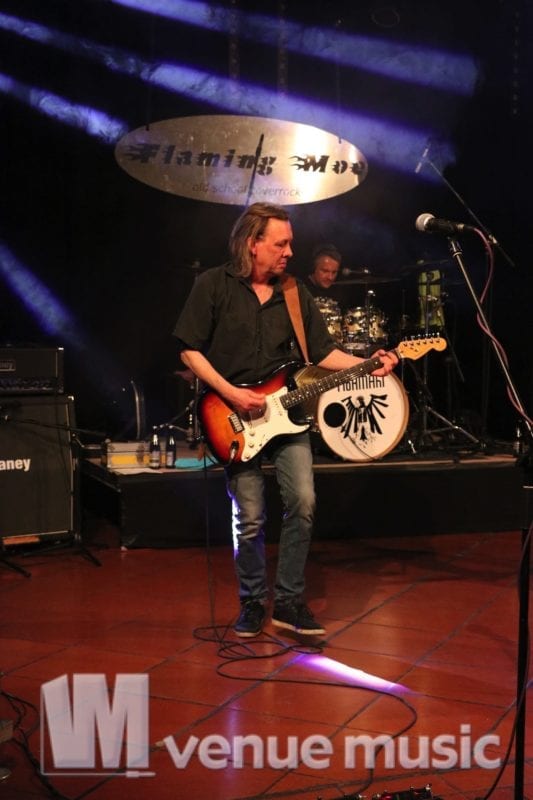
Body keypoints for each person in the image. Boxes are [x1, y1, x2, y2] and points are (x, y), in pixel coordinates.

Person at [173, 203, 397, 639]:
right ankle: (253, 601)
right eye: (281, 243)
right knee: (250, 517)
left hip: (288, 417)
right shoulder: (213, 284)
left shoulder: (295, 293)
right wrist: (231, 393)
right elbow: (188, 349)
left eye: (290, 243)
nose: (290, 252)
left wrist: (367, 364)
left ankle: (289, 602)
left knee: (304, 502)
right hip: (232, 417)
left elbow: (323, 352)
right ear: (252, 243)